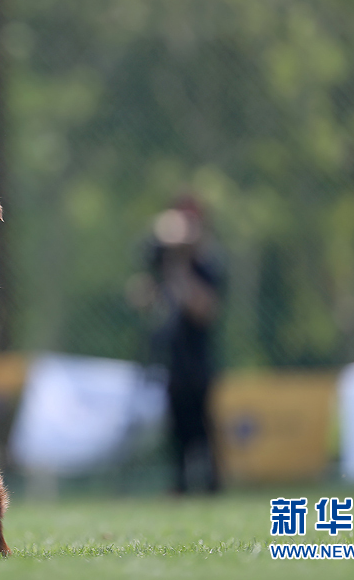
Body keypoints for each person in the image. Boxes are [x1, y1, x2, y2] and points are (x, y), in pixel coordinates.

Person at [131, 195, 223, 494]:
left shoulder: (206, 265)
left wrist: (180, 269)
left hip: (198, 358)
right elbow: (148, 297)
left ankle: (211, 484)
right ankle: (180, 484)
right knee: (176, 426)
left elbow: (203, 309)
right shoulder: (161, 261)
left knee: (202, 425)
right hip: (170, 357)